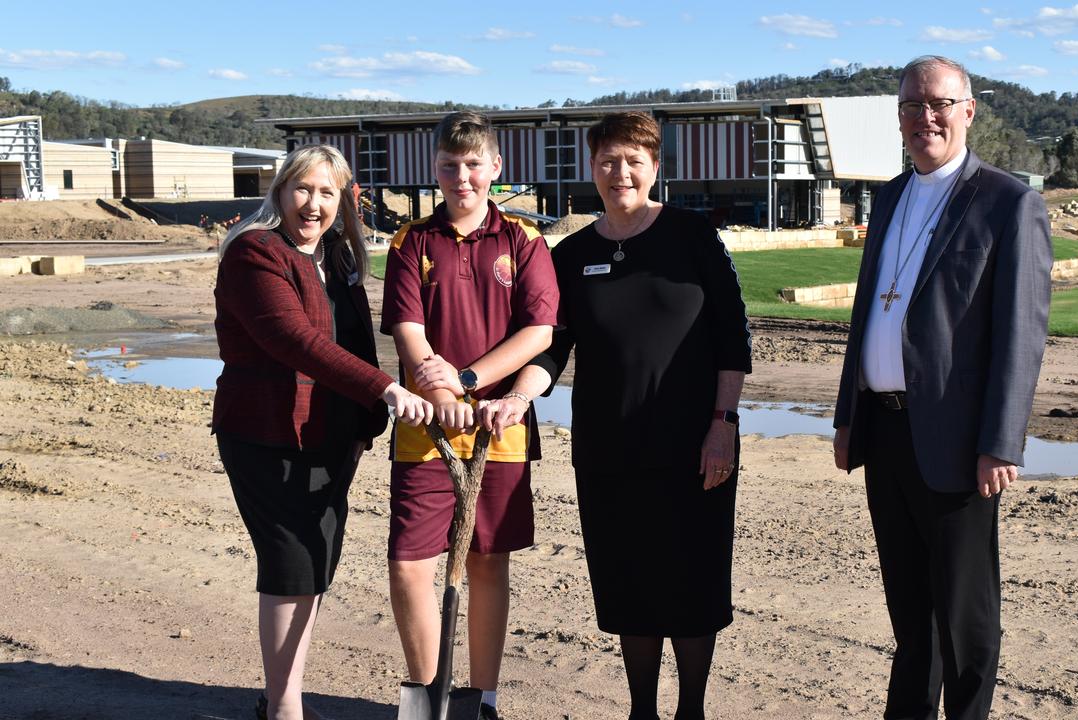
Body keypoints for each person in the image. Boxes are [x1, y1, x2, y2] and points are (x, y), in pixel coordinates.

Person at [493, 111, 752, 720]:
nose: (621, 173)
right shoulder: (573, 253)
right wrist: (517, 396)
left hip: (694, 445)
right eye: (608, 161)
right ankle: (641, 710)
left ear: (655, 167)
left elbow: (732, 338)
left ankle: (691, 709)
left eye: (634, 160)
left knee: (691, 580)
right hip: (610, 450)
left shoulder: (692, 237)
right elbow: (553, 345)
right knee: (629, 580)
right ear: (592, 169)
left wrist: (725, 424)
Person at [832, 55, 1052, 719]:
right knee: (910, 617)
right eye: (910, 105)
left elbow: (1022, 333)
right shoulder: (890, 195)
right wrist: (849, 414)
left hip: (958, 444)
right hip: (886, 430)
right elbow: (869, 308)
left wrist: (1000, 441)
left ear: (968, 110)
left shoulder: (1009, 203)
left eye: (939, 104)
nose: (924, 117)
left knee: (965, 619)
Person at [212, 144, 432, 720]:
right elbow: (295, 341)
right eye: (303, 190)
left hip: (331, 438)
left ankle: (281, 695)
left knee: (314, 560)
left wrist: (365, 423)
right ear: (281, 192)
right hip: (267, 432)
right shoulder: (256, 253)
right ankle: (284, 707)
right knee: (290, 562)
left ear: (342, 202)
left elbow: (355, 338)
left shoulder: (335, 258)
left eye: (327, 193)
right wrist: (386, 390)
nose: (313, 204)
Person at [380, 111, 558, 720]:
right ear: (435, 170)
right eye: (451, 166)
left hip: (497, 427)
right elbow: (408, 330)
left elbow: (539, 331)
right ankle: (428, 694)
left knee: (486, 562)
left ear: (495, 169)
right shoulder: (413, 241)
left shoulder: (523, 240)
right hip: (423, 429)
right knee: (409, 564)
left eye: (474, 165)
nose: (463, 177)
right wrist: (440, 390)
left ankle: (481, 698)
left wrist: (467, 383)